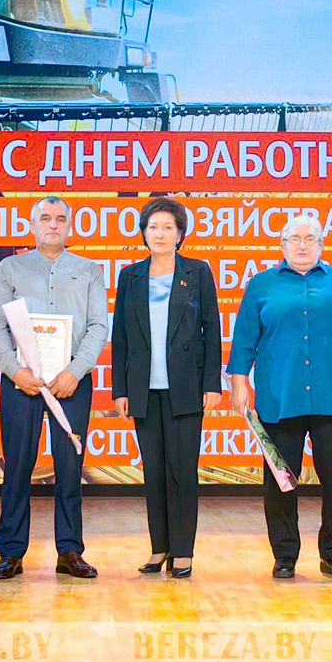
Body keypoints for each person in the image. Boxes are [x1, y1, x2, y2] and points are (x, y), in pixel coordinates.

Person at [229, 213, 332, 580]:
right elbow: (244, 338)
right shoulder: (262, 284)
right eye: (294, 239)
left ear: (321, 245)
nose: (302, 245)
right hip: (280, 397)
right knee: (280, 480)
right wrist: (238, 383)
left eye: (310, 239)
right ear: (282, 246)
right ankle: (285, 555)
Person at [0, 196, 110, 580]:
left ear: (70, 226)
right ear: (33, 225)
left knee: (70, 467)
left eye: (60, 219)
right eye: (45, 218)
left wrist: (75, 371)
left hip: (71, 382)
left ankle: (70, 551)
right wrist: (14, 371)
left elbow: (98, 327)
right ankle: (11, 552)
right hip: (21, 383)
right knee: (17, 467)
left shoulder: (89, 270)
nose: (53, 225)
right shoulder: (10, 268)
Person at [112, 198, 223, 579]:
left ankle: (183, 551)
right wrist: (121, 389)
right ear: (144, 233)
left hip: (186, 387)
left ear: (180, 234)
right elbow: (121, 336)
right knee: (154, 471)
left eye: (167, 227)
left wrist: (212, 383)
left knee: (182, 472)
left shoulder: (198, 271)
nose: (159, 234)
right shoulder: (130, 276)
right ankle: (159, 546)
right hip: (144, 389)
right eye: (153, 227)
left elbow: (212, 329)